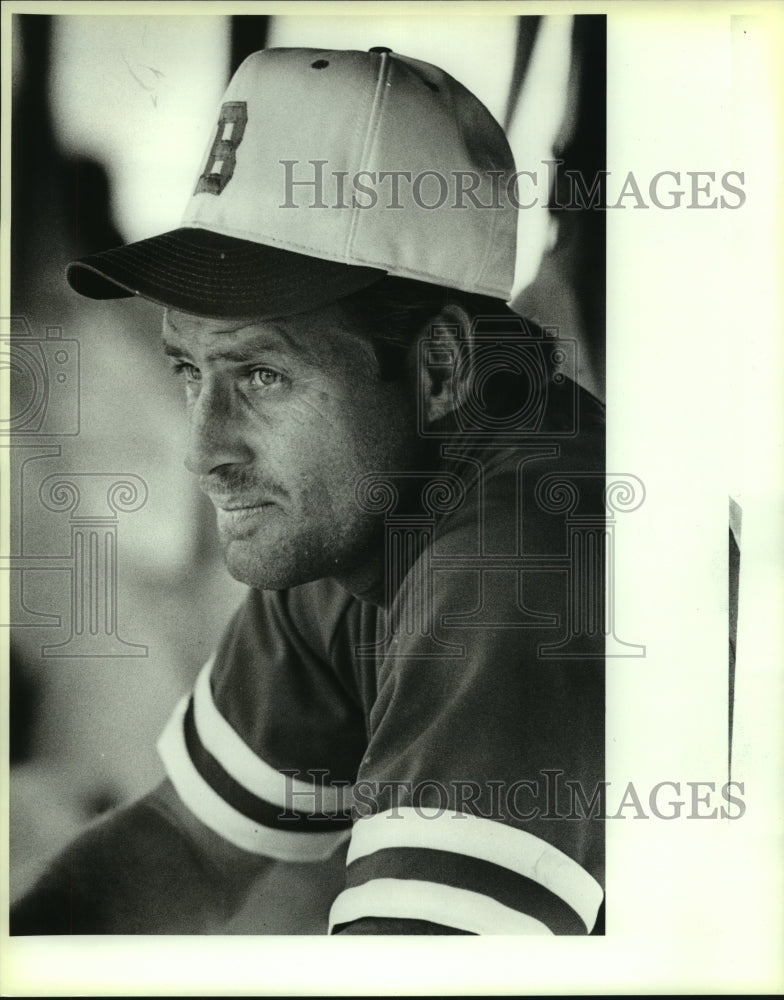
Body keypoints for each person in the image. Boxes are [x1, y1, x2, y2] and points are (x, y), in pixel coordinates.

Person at [10, 46, 605, 936]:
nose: (203, 452)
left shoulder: (514, 560)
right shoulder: (364, 510)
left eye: (261, 376)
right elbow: (186, 845)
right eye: (189, 370)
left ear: (441, 368)